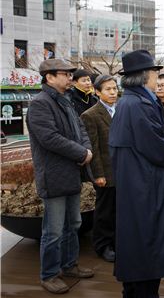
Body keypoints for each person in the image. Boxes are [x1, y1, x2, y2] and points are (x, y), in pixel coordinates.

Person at [109, 50, 164, 297]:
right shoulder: (137, 105)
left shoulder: (132, 102)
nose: (158, 78)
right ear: (145, 76)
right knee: (149, 244)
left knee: (139, 243)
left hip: (138, 184)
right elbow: (158, 146)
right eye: (155, 73)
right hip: (147, 187)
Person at [26, 58, 95, 294]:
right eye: (65, 74)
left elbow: (81, 130)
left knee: (73, 223)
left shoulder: (65, 102)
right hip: (54, 175)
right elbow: (50, 139)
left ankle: (69, 265)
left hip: (71, 173)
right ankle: (49, 274)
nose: (70, 78)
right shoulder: (40, 104)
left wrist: (86, 150)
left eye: (70, 74)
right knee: (53, 230)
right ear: (50, 77)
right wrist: (81, 152)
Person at [80, 75, 118, 263]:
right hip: (106, 171)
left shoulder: (122, 110)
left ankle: (117, 242)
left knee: (120, 209)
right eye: (108, 89)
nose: (112, 92)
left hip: (124, 170)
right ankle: (103, 246)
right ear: (97, 92)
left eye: (114, 88)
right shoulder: (91, 115)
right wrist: (98, 174)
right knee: (105, 212)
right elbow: (93, 148)